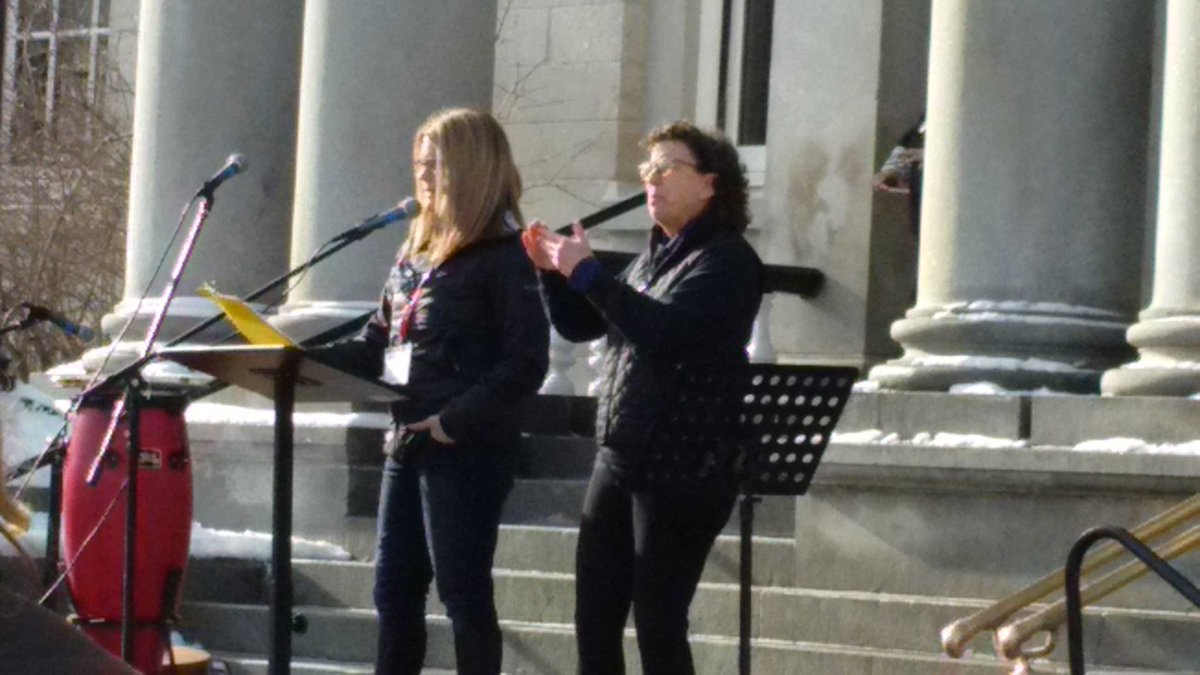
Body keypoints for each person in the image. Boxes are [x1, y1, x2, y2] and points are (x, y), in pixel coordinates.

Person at [521, 121, 763, 674]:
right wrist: (555, 276)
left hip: (684, 464)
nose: (651, 181)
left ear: (709, 184)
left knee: (658, 619)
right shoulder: (653, 257)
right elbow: (585, 326)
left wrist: (589, 274)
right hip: (622, 455)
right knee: (595, 616)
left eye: (667, 168)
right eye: (647, 170)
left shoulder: (725, 261)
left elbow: (663, 334)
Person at [337, 108, 549, 674]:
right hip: (404, 440)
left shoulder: (506, 256)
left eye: (436, 164)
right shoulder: (415, 253)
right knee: (392, 594)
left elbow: (526, 362)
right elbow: (377, 341)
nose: (424, 177)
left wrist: (453, 421)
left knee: (463, 596)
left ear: (473, 169)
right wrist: (294, 360)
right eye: (418, 164)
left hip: (465, 447)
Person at [872, 115, 925, 240]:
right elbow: (909, 143)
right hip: (924, 221)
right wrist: (891, 172)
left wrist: (934, 155)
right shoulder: (930, 115)